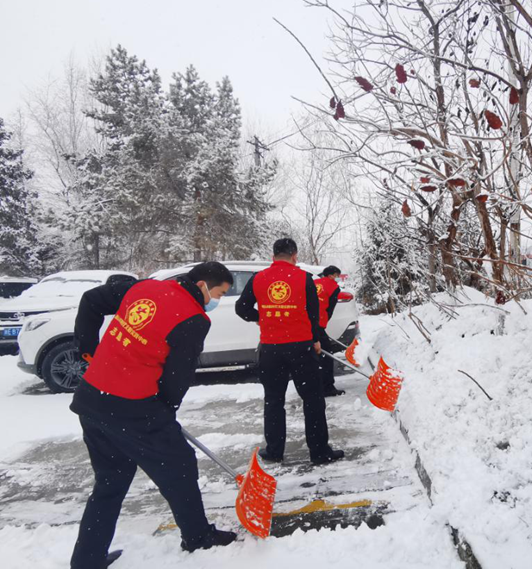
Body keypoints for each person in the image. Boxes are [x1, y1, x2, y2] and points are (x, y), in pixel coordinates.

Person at [70, 262, 237, 569]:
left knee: (110, 483)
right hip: (133, 407)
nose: (219, 300)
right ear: (202, 285)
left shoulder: (144, 287)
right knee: (180, 465)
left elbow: (91, 300)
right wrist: (165, 410)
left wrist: (88, 350)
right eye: (219, 293)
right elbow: (177, 377)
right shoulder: (194, 319)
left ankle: (87, 559)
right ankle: (197, 536)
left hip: (92, 399)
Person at [235, 238, 344, 465]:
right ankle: (319, 452)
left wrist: (261, 316)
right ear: (294, 255)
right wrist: (315, 339)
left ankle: (274, 451)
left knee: (273, 400)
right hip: (301, 348)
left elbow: (242, 308)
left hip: (271, 350)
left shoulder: (258, 278)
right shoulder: (304, 279)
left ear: (273, 256)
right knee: (312, 400)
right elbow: (313, 313)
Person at [314, 266, 345, 397]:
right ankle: (327, 387)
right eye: (337, 276)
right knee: (326, 353)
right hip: (318, 321)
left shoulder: (314, 282)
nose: (337, 279)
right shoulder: (333, 287)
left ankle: (316, 384)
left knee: (315, 353)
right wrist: (324, 320)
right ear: (332, 275)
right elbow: (330, 307)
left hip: (306, 321)